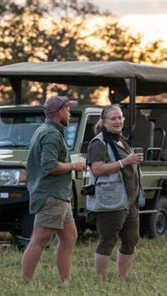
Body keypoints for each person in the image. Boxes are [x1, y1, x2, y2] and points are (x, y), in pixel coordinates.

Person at [22, 95, 86, 283]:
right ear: (59, 112)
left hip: (59, 195)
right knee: (40, 240)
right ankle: (26, 283)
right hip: (51, 195)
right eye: (67, 109)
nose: (70, 113)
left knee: (70, 237)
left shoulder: (47, 130)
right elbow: (49, 166)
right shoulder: (51, 134)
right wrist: (74, 166)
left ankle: (65, 282)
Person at [87, 105, 144, 280]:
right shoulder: (98, 143)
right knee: (107, 241)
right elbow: (97, 169)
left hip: (130, 200)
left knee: (130, 240)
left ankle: (122, 278)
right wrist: (124, 162)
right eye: (113, 118)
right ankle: (101, 280)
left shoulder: (122, 140)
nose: (118, 121)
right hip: (111, 200)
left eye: (120, 118)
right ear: (104, 122)